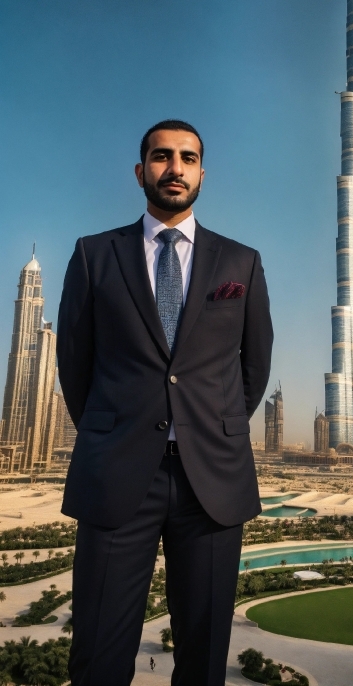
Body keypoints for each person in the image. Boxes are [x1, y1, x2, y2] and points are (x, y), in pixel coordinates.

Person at [57, 120, 273, 686]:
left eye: (188, 158)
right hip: (117, 476)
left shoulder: (241, 263)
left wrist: (209, 429)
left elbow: (254, 369)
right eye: (161, 156)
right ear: (140, 171)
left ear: (202, 173)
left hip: (212, 483)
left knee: (203, 660)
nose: (174, 167)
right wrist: (115, 433)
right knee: (98, 655)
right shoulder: (93, 255)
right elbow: (74, 365)